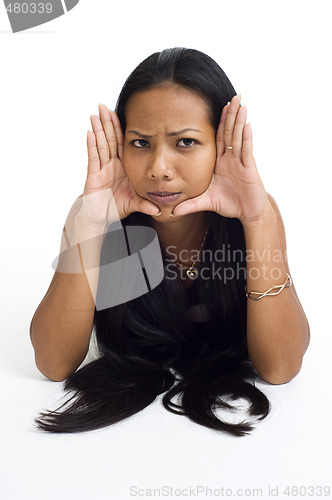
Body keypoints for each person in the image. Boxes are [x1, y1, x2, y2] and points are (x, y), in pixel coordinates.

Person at [30, 47, 310, 436]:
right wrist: (91, 224)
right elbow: (53, 363)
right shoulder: (94, 214)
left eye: (186, 142)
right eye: (141, 143)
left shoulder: (258, 214)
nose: (159, 170)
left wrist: (258, 219)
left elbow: (280, 368)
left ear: (221, 145)